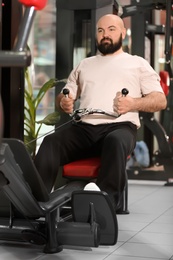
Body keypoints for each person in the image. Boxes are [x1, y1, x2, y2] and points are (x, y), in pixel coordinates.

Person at [34, 14, 167, 212]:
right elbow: (65, 95)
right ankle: (36, 204)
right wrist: (65, 102)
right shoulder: (84, 65)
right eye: (100, 30)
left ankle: (105, 207)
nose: (105, 35)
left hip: (120, 127)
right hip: (84, 129)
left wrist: (132, 104)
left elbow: (160, 100)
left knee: (115, 141)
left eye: (111, 29)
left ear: (123, 32)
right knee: (50, 143)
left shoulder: (137, 63)